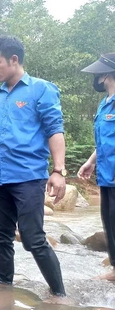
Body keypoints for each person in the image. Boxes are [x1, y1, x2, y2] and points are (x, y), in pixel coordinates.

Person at [0, 35, 67, 298]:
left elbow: (55, 130)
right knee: (0, 236)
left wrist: (58, 171)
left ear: (14, 59)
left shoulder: (41, 89)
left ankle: (60, 295)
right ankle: (2, 287)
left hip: (28, 177)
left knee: (33, 239)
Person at [78, 53, 115, 281]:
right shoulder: (105, 104)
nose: (96, 78)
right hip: (106, 174)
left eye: (98, 74)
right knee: (109, 220)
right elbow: (105, 140)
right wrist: (91, 161)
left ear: (105, 75)